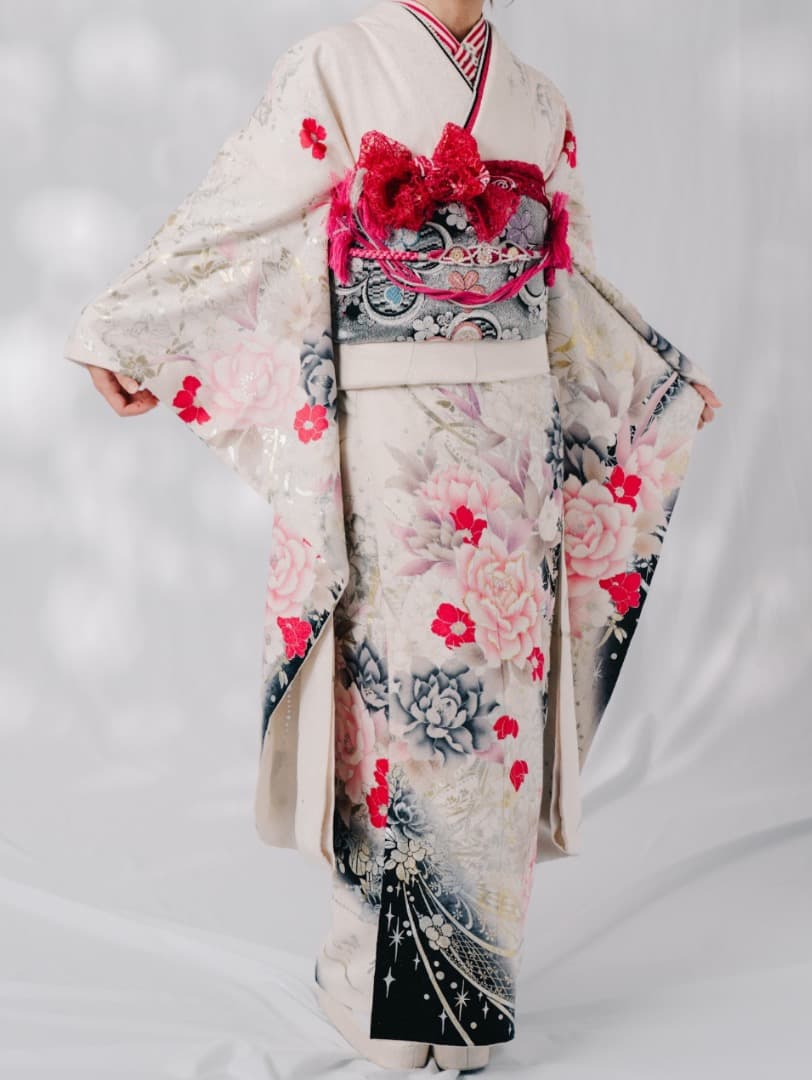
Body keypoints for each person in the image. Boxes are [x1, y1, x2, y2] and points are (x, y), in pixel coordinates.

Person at [64, 0, 723, 1070]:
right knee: (394, 696)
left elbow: (568, 282)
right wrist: (125, 325)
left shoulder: (538, 101)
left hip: (514, 445)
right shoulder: (333, 64)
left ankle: (464, 994)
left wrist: (655, 381)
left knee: (493, 708)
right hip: (389, 441)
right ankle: (362, 967)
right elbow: (236, 217)